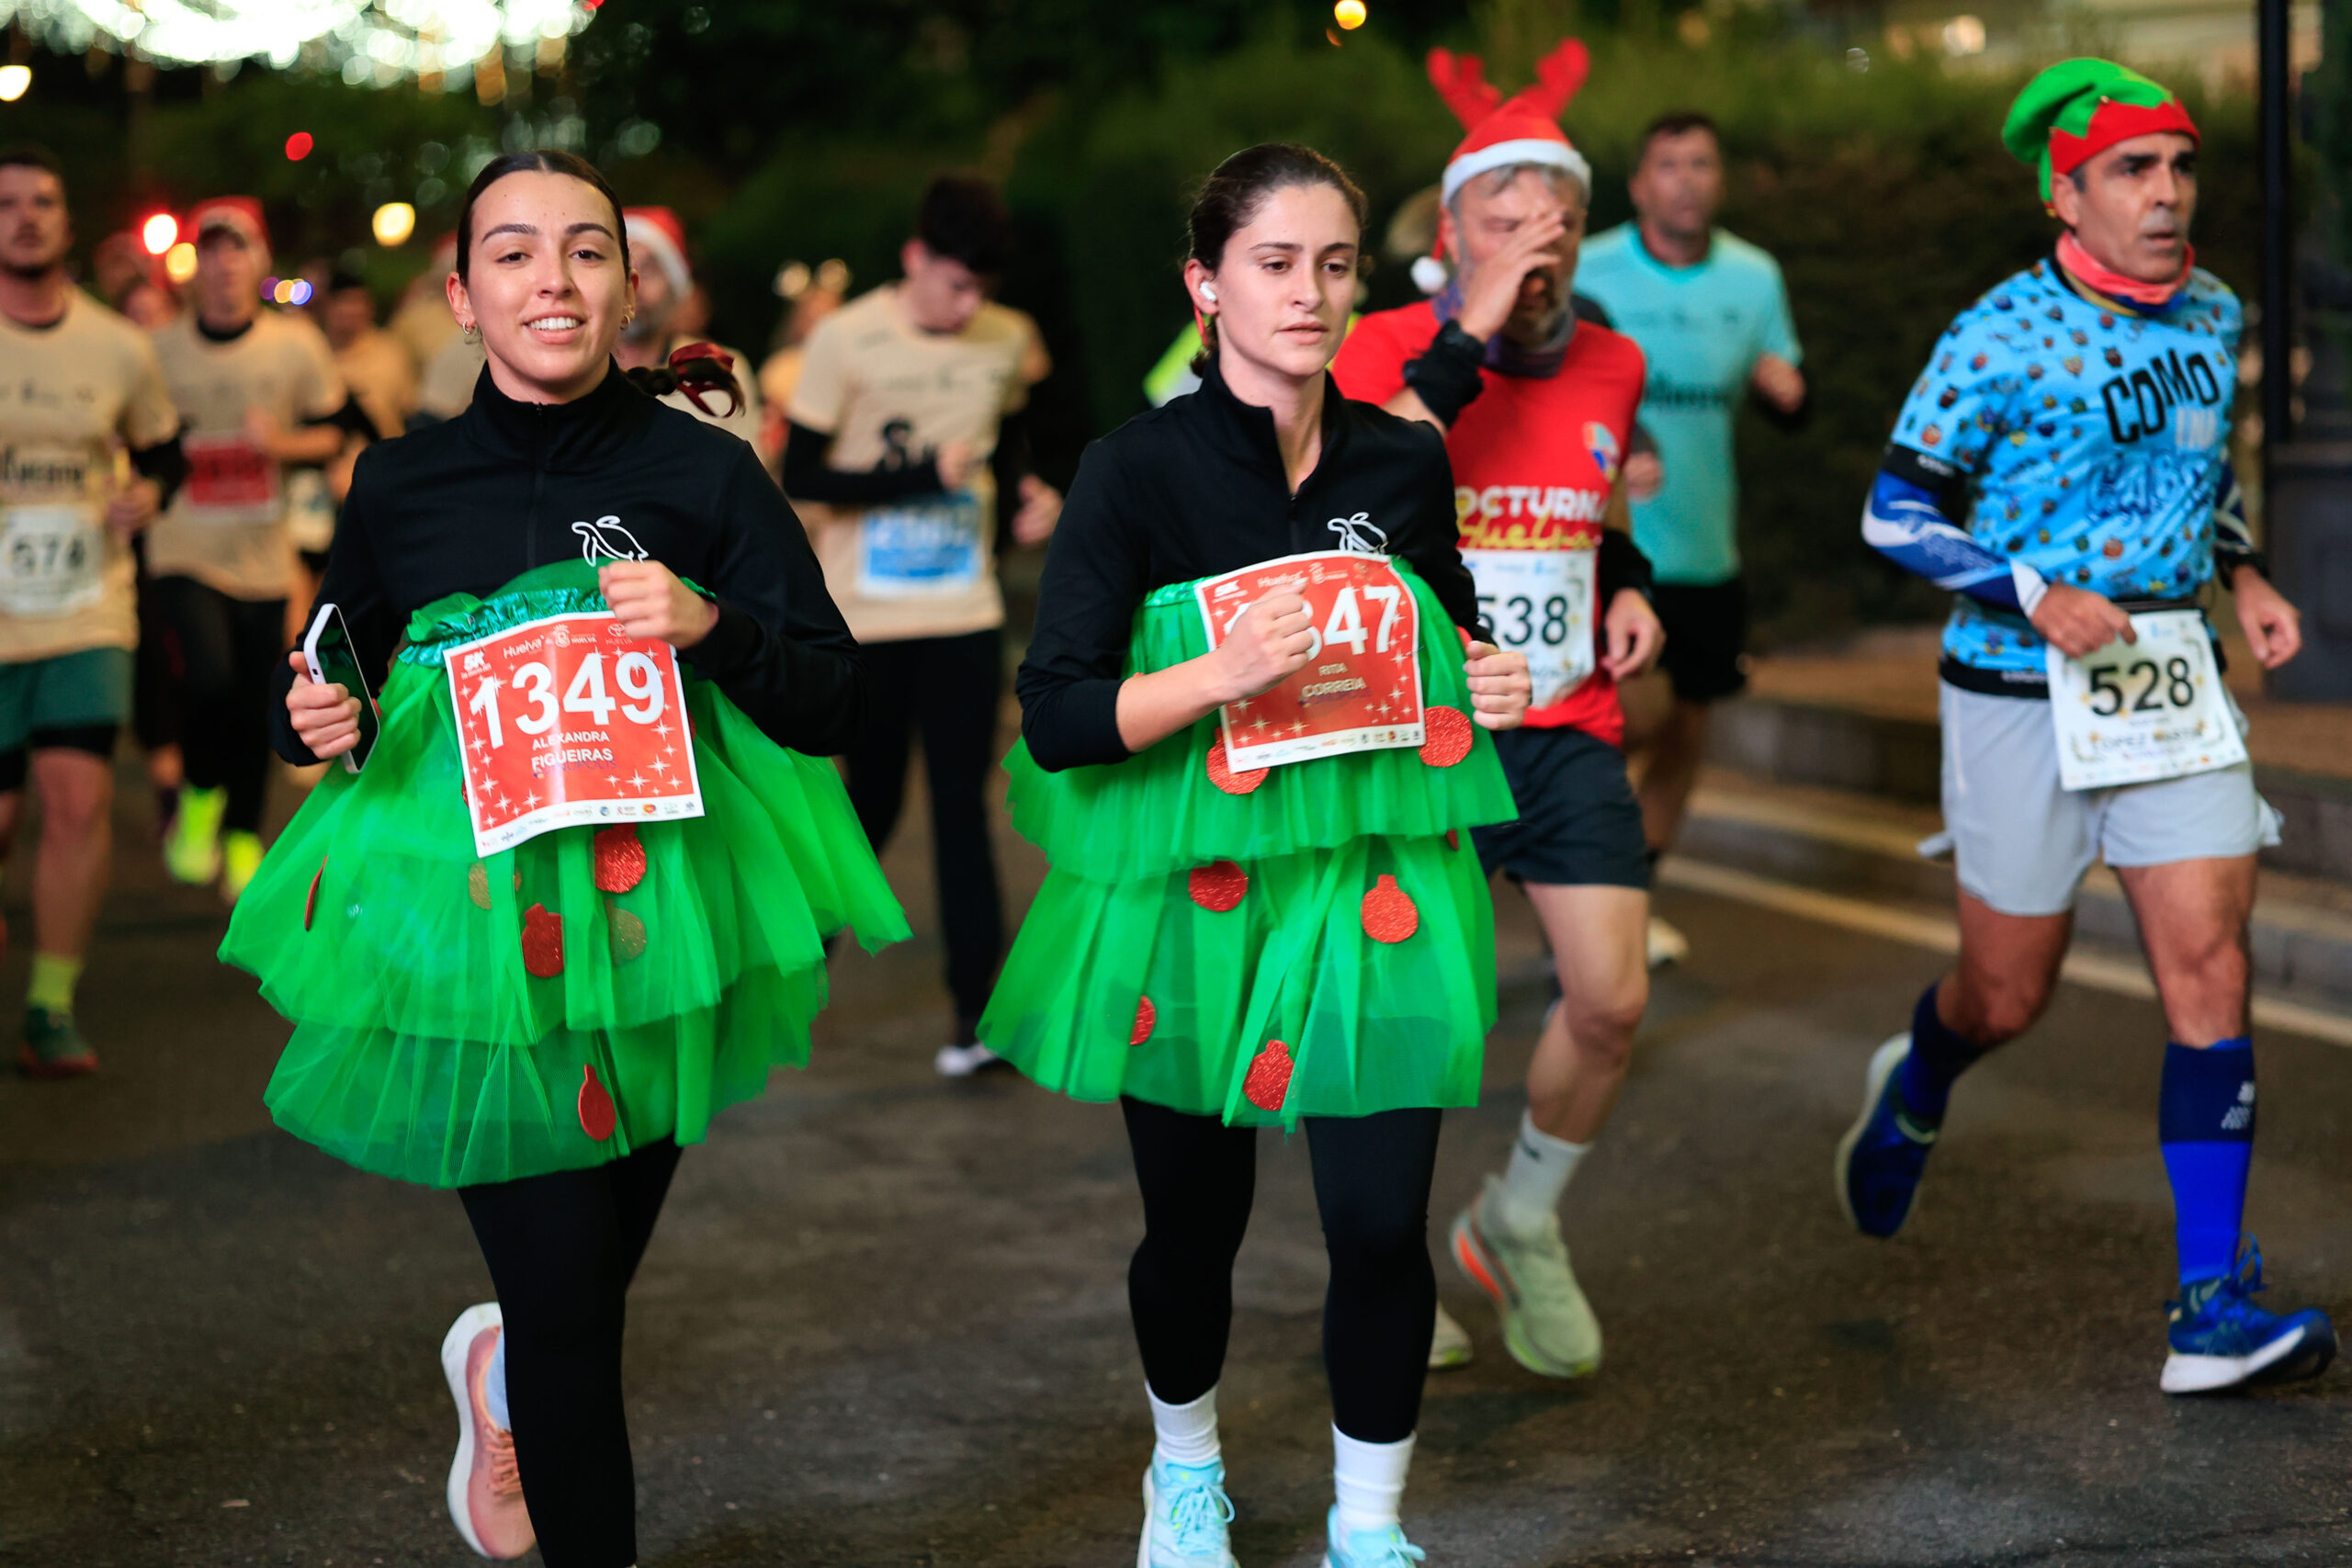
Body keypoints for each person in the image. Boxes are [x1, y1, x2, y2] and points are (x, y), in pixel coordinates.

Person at [220, 149, 906, 1566]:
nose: (555, 279)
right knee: (574, 1305)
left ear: (628, 287)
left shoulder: (701, 474)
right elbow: (331, 675)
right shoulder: (402, 481)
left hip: (664, 931)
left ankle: (505, 1369)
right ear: (461, 295)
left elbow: (838, 696)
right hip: (475, 937)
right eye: (516, 252)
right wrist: (316, 717)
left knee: (575, 1290)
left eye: (587, 250)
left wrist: (712, 626)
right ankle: (532, 1376)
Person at [982, 142, 1532, 1568]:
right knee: (1194, 1223)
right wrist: (1212, 675)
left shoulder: (1402, 461)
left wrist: (1487, 673)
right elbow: (1056, 715)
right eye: (1275, 263)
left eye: (1334, 264)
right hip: (1195, 891)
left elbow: (1446, 635)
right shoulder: (1135, 471)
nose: (1309, 292)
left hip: (1373, 878)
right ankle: (1184, 1472)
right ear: (1206, 285)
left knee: (1379, 1221)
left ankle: (1370, 1521)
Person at [1845, 59, 2334, 1395]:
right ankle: (1921, 1077)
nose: (2167, 193)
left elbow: (2200, 472)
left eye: (2179, 166)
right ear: (2063, 196)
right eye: (2132, 170)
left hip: (2170, 681)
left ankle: (2208, 1304)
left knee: (2210, 966)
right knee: (2007, 992)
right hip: (2017, 689)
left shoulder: (2213, 310)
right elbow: (1893, 513)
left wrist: (2244, 573)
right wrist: (2031, 592)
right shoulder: (1997, 333)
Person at [1333, 38, 1664, 1380]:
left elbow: (1597, 500)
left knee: (1611, 1000)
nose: (1540, 247)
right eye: (1507, 220)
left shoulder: (1614, 360)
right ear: (1451, 230)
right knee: (1411, 1024)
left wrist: (1627, 582)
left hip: (1566, 720)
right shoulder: (1380, 348)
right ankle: (1385, 1265)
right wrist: (1468, 325)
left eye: (1560, 222)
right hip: (1419, 734)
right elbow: (1369, 483)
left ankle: (1517, 1220)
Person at [783, 174, 1062, 1077]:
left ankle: (979, 1018)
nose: (968, 304)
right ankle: (779, 991)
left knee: (961, 810)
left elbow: (1011, 443)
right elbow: (801, 476)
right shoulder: (844, 337)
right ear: (914, 259)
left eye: (982, 288)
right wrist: (918, 477)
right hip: (864, 620)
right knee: (867, 808)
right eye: (954, 284)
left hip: (962, 611)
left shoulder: (1007, 337)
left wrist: (1029, 496)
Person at [1575, 110, 1805, 966]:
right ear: (1639, 184)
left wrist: (1791, 392)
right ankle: (1569, 878)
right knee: (1622, 724)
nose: (1685, 179)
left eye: (1701, 163)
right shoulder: (1588, 269)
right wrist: (1617, 445)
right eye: (1667, 164)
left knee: (1684, 736)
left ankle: (1625, 907)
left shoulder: (1755, 275)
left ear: (1719, 180)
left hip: (1708, 552)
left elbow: (1788, 389)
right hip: (1608, 550)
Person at [0, 144, 185, 1077]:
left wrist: (148, 494)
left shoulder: (117, 344)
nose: (26, 217)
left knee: (78, 801)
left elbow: (163, 453)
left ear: (68, 223)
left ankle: (50, 1005)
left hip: (85, 609)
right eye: (7, 203)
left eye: (43, 201)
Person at [146, 197, 373, 900]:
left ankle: (244, 831)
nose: (224, 264)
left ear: (260, 260)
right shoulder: (158, 349)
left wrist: (279, 443)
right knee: (209, 679)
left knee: (250, 699)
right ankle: (200, 793)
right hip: (183, 546)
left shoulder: (293, 345)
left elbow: (336, 432)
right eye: (211, 250)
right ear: (195, 266)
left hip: (263, 551)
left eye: (237, 249)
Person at [616, 207, 767, 464]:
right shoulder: (571, 370)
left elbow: (747, 476)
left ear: (676, 285)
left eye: (649, 270)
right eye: (622, 268)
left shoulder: (717, 368)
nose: (633, 285)